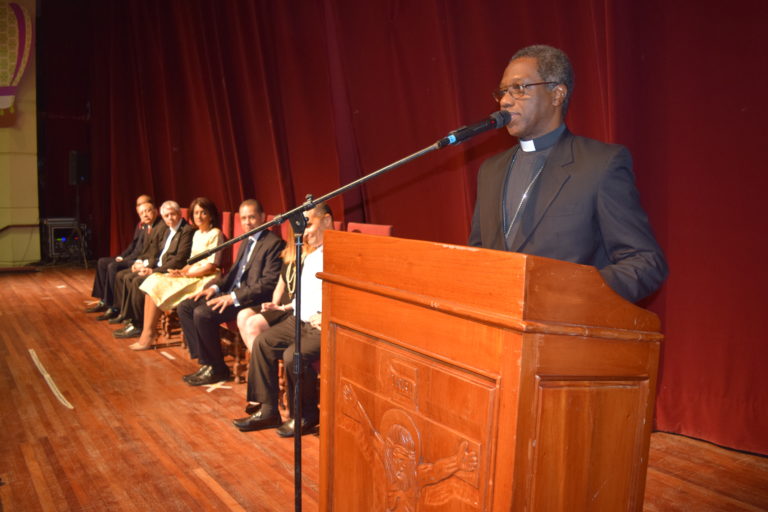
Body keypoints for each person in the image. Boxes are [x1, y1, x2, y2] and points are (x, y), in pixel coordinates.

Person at [468, 45, 667, 303]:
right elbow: (478, 255)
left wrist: (572, 294)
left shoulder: (600, 164)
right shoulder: (490, 171)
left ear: (557, 94)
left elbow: (645, 261)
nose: (505, 101)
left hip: (567, 332)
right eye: (503, 92)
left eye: (519, 88)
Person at [232, 202, 332, 437]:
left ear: (327, 221)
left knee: (293, 356)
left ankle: (305, 416)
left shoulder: (339, 253)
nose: (304, 232)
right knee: (263, 343)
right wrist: (287, 306)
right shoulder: (308, 252)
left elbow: (349, 294)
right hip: (299, 317)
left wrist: (328, 315)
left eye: (308, 224)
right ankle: (268, 410)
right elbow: (304, 293)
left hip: (322, 324)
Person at [178, 199, 284, 386]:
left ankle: (218, 369)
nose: (247, 222)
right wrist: (214, 288)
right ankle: (206, 362)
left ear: (262, 217)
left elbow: (267, 284)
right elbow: (233, 273)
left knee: (202, 314)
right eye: (243, 218)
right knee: (186, 306)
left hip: (251, 299)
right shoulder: (246, 241)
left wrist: (233, 297)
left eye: (252, 217)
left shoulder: (273, 244)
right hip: (232, 294)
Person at [127, 197, 225, 351]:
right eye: (196, 213)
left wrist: (187, 275)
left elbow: (211, 266)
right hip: (192, 273)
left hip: (206, 278)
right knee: (152, 281)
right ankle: (148, 332)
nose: (199, 216)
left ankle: (148, 336)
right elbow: (192, 261)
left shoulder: (215, 233)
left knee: (157, 285)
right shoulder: (198, 233)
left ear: (211, 215)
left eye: (203, 212)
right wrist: (182, 271)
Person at [112, 200, 195, 338]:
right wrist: (146, 266)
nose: (169, 218)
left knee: (137, 281)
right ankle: (131, 320)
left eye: (172, 214)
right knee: (128, 276)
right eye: (166, 216)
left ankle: (139, 325)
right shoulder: (168, 230)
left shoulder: (187, 231)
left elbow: (179, 260)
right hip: (158, 267)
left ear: (179, 214)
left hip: (171, 271)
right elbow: (157, 253)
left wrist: (153, 271)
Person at [86, 195, 158, 319]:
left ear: (153, 208)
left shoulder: (155, 226)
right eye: (139, 207)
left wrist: (133, 261)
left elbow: (146, 251)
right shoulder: (142, 225)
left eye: (146, 208)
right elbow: (133, 245)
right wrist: (122, 256)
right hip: (131, 256)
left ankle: (113, 305)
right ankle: (103, 299)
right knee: (102, 262)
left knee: (113, 267)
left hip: (138, 259)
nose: (144, 212)